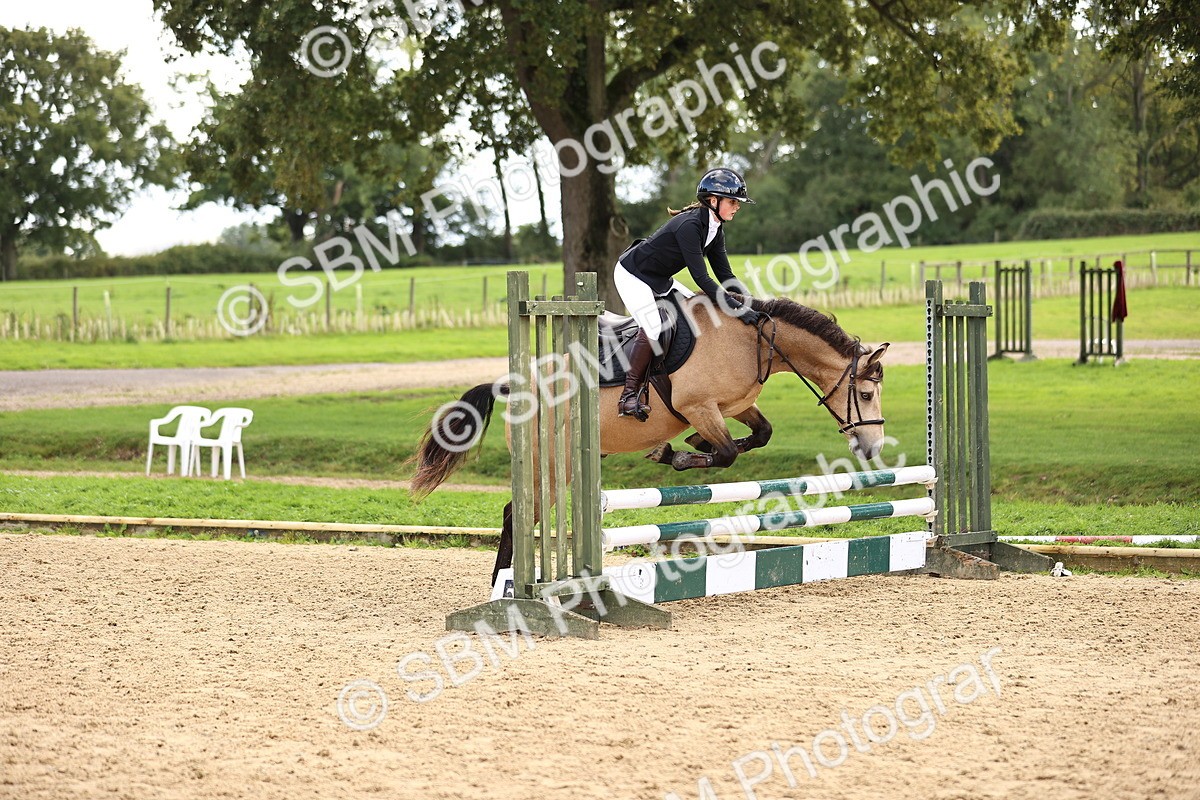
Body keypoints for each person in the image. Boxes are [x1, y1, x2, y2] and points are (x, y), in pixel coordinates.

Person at [613, 167, 762, 421]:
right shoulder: (690, 226)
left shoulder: (715, 228)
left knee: (697, 310)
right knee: (653, 327)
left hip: (660, 279)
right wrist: (734, 307)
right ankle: (627, 396)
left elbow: (725, 275)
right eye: (733, 202)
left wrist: (750, 303)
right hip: (633, 275)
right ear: (713, 201)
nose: (737, 207)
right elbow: (702, 278)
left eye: (738, 203)